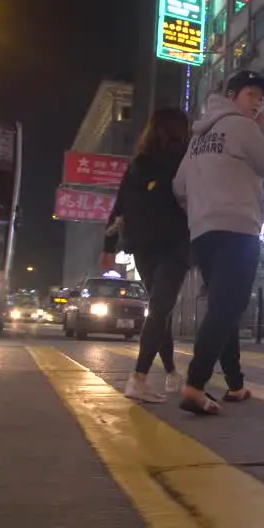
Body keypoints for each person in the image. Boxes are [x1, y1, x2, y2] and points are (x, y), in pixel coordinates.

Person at [173, 70, 264, 416]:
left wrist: (202, 209)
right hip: (238, 229)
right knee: (226, 307)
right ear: (233, 95)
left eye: (261, 99)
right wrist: (262, 129)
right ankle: (195, 384)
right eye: (252, 95)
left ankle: (234, 384)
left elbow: (179, 187)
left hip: (203, 233)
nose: (257, 103)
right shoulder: (244, 127)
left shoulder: (196, 140)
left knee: (225, 306)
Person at [101, 108, 191, 404]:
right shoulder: (185, 159)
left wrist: (108, 247)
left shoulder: (138, 163)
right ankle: (138, 378)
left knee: (159, 308)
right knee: (161, 307)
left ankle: (170, 372)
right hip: (174, 242)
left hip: (141, 243)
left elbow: (120, 205)